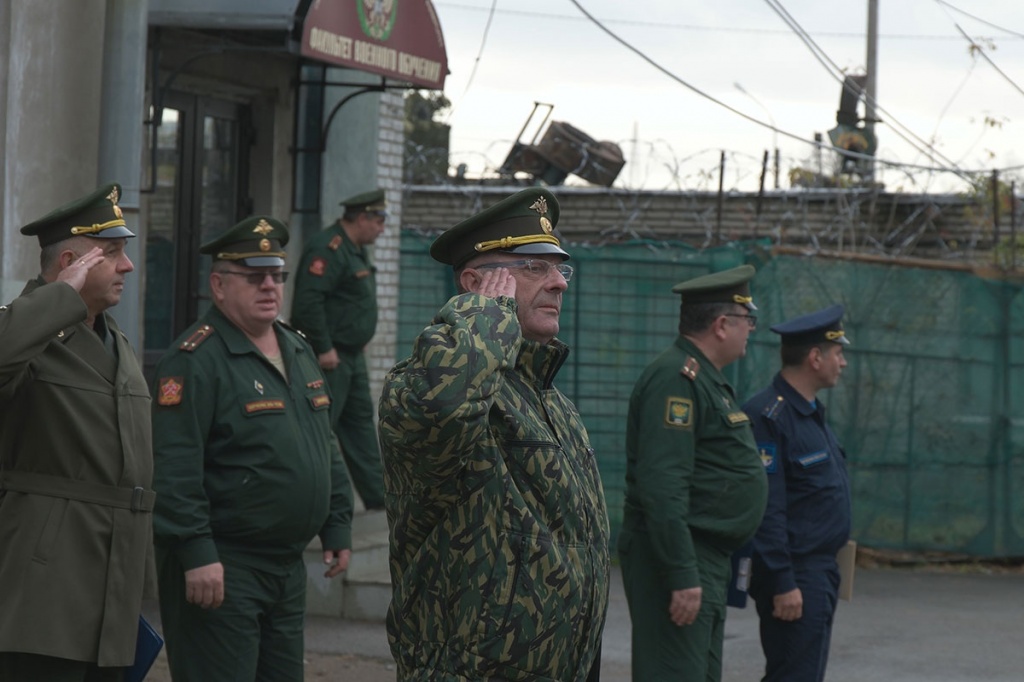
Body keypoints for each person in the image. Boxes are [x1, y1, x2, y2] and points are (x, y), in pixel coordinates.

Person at [378, 187, 609, 681]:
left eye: (560, 268)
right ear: (475, 283)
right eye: (533, 268)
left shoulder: (552, 401)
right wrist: (484, 316)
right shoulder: (421, 383)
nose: (558, 284)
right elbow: (445, 411)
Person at [150, 216, 354, 681]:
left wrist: (337, 523)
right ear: (218, 286)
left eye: (277, 275)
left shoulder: (296, 348)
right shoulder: (195, 360)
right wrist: (196, 550)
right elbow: (175, 466)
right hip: (225, 566)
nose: (269, 286)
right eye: (254, 276)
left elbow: (323, 442)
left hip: (285, 566)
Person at [0, 183, 155, 681]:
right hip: (43, 589)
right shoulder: (24, 331)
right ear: (72, 263)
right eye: (111, 254)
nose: (127, 266)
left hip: (112, 583)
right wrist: (58, 298)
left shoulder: (116, 342)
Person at [619, 264, 769, 682]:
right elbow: (663, 486)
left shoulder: (703, 377)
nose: (750, 330)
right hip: (678, 554)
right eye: (747, 321)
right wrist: (683, 574)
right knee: (674, 671)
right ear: (723, 324)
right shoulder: (676, 378)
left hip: (703, 553)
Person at [742, 304, 853, 682]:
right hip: (796, 575)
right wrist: (782, 581)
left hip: (818, 572)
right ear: (814, 357)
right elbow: (766, 509)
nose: (844, 363)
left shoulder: (809, 412)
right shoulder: (768, 416)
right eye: (839, 354)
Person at [291, 189, 387, 510]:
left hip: (351, 356)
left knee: (360, 425)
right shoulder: (328, 248)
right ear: (361, 218)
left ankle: (381, 502)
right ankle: (307, 503)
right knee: (320, 428)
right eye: (379, 220)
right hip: (329, 358)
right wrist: (323, 346)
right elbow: (308, 301)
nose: (382, 228)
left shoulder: (355, 249)